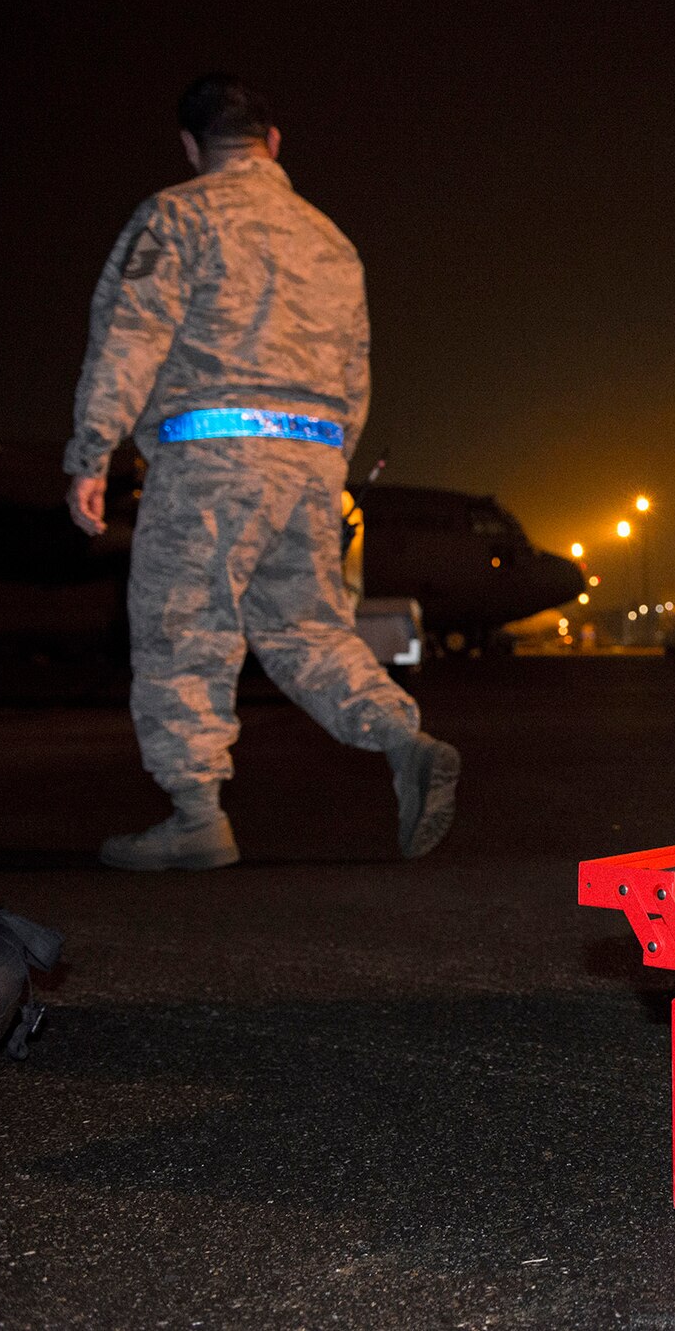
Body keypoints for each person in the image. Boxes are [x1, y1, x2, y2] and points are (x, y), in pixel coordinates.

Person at [64, 73, 459, 871]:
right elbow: (356, 370)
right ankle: (402, 736)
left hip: (211, 456)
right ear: (273, 143)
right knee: (308, 627)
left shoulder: (178, 215)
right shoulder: (330, 240)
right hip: (311, 460)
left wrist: (91, 452)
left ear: (190, 146)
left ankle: (195, 814)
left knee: (182, 625)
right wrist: (325, 466)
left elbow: (129, 339)